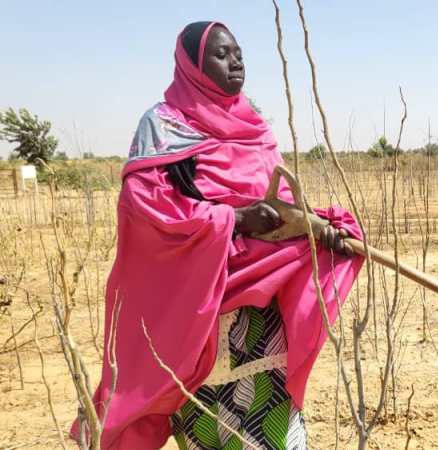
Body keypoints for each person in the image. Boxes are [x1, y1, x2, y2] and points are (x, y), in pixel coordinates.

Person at [71, 22, 364, 450]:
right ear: (192, 65)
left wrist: (318, 227)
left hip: (263, 310)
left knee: (276, 425)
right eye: (222, 54)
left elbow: (279, 202)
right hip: (199, 309)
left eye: (239, 52)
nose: (236, 61)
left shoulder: (255, 124)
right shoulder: (163, 125)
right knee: (209, 423)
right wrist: (236, 220)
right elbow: (145, 208)